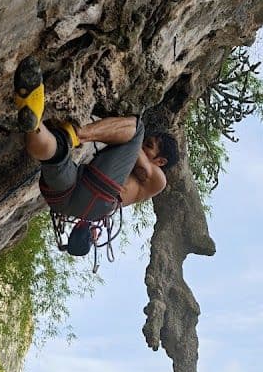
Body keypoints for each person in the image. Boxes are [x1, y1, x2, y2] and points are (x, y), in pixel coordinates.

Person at [14, 57, 179, 256]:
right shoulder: (125, 167)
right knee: (55, 156)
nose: (143, 148)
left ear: (161, 161)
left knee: (137, 129)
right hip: (68, 197)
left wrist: (128, 136)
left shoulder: (158, 181)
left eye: (149, 147)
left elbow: (139, 158)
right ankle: (34, 123)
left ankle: (74, 134)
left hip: (96, 196)